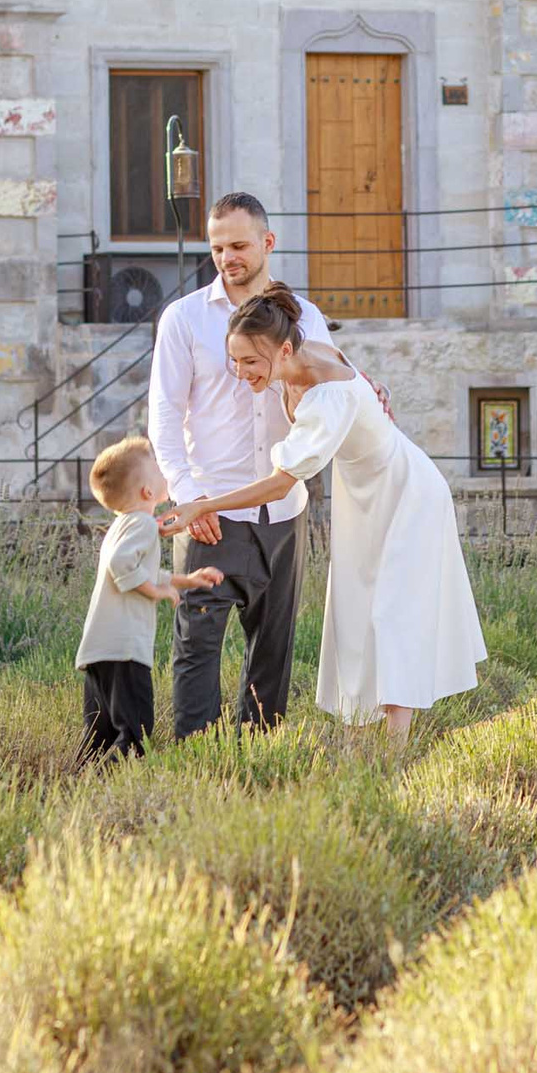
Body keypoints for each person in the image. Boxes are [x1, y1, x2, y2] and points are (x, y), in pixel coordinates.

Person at [165, 285, 486, 741]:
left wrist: (203, 503)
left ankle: (396, 749)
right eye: (233, 361)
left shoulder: (324, 396)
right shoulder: (307, 350)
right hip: (363, 497)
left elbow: (280, 483)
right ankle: (358, 732)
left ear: (284, 349)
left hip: (405, 494)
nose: (240, 373)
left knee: (396, 613)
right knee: (353, 609)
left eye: (250, 362)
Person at [146, 192, 352, 736]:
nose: (226, 257)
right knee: (196, 650)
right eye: (216, 248)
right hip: (211, 511)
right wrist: (187, 496)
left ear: (267, 243)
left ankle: (260, 767)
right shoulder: (183, 320)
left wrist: (368, 384)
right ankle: (198, 767)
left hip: (285, 511)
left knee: (274, 654)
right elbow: (163, 417)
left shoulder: (304, 316)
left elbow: (333, 383)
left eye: (238, 245)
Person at [75, 435, 222, 759]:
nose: (163, 470)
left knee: (98, 737)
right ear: (147, 492)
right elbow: (121, 565)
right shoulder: (142, 524)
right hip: (125, 651)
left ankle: (80, 788)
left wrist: (188, 580)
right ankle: (122, 787)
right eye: (157, 467)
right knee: (136, 733)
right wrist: (156, 591)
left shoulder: (122, 525)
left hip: (101, 650)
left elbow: (140, 568)